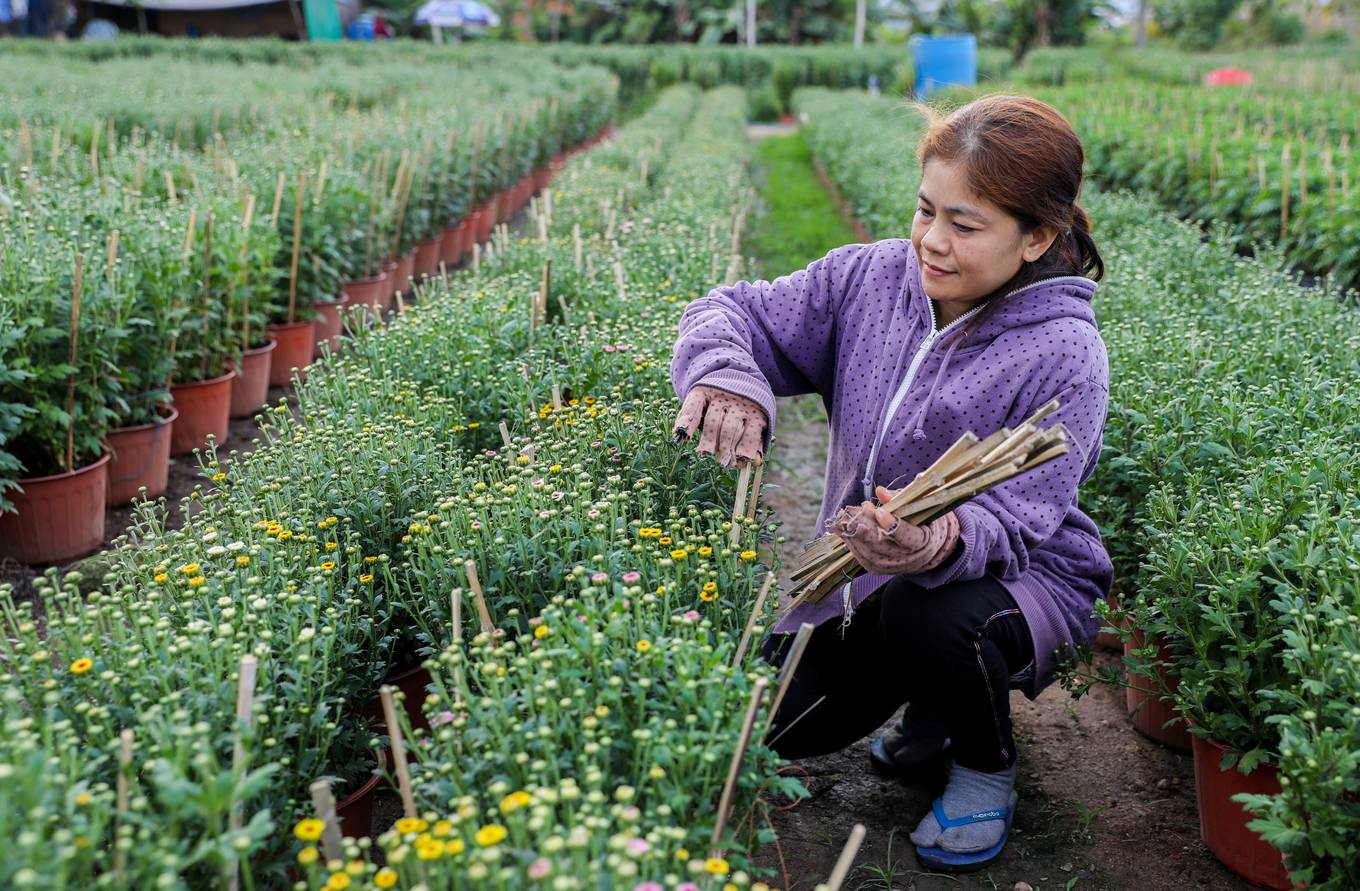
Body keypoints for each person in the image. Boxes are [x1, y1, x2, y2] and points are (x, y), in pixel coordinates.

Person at [669, 94, 1112, 873]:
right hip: (864, 573)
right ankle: (936, 701)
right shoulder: (871, 278)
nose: (932, 242)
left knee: (931, 616)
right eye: (925, 210)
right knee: (768, 723)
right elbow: (732, 312)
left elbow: (1019, 521)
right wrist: (728, 378)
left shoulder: (1065, 351)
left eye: (965, 225)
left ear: (1037, 236)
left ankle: (983, 761)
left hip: (1019, 581)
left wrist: (932, 540)